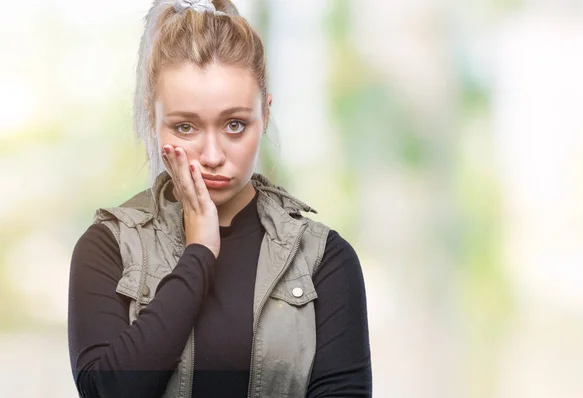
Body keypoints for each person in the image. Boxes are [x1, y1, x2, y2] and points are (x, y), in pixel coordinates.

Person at [67, 0, 372, 397]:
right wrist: (199, 253)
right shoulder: (109, 247)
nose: (212, 155)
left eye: (234, 124)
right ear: (153, 119)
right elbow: (106, 390)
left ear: (265, 113)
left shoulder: (321, 259)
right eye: (186, 126)